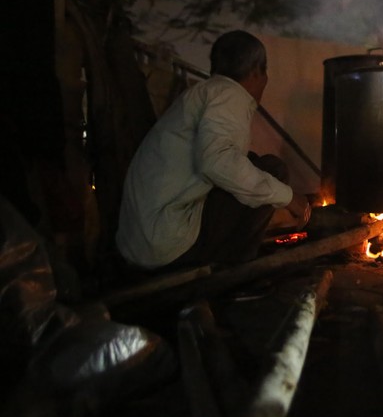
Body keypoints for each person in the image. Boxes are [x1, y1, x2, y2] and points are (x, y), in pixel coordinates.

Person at [116, 30, 310, 270]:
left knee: (250, 163)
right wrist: (289, 197)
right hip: (167, 243)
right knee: (273, 169)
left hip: (141, 243)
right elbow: (217, 162)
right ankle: (237, 270)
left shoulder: (204, 93)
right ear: (256, 71)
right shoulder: (228, 94)